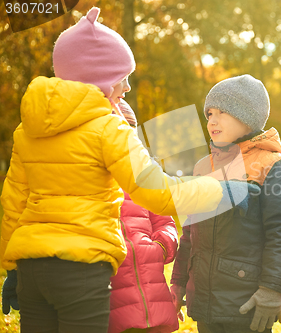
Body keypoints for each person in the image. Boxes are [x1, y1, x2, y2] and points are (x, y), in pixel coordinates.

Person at [0, 7, 222, 333]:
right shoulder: (109, 128)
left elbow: (13, 203)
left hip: (32, 269)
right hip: (81, 271)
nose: (128, 88)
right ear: (100, 78)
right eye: (123, 78)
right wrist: (217, 188)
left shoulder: (28, 129)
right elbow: (154, 191)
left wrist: (10, 268)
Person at [170, 74, 281, 333]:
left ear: (247, 117)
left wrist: (271, 290)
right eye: (209, 113)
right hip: (205, 300)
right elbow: (190, 233)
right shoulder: (202, 166)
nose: (212, 120)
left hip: (247, 302)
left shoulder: (274, 167)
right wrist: (179, 282)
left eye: (223, 112)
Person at [108, 102, 179, 333]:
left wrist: (160, 246)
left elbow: (166, 223)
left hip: (154, 296)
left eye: (129, 130)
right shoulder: (94, 180)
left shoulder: (146, 178)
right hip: (114, 301)